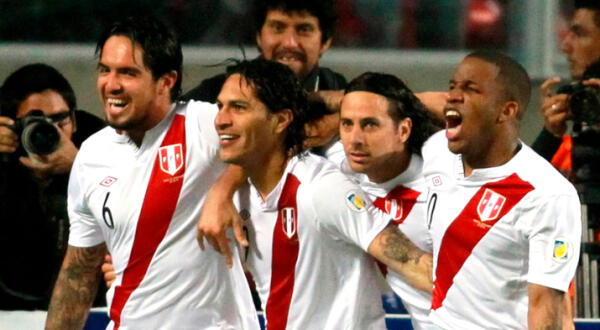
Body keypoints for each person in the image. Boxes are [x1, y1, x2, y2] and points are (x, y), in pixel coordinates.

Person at [45, 16, 258, 330]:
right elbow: (78, 273)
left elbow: (283, 133)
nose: (111, 85)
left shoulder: (202, 125)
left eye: (128, 73)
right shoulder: (91, 155)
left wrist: (224, 187)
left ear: (166, 81)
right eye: (105, 70)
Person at [212, 58, 433, 329]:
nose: (221, 120)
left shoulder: (323, 189)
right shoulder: (238, 195)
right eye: (221, 106)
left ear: (281, 120)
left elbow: (414, 264)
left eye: (239, 107)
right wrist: (220, 192)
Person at [422, 51, 581, 329]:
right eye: (452, 87)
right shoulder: (436, 153)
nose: (453, 96)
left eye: (471, 89)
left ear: (506, 111)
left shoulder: (547, 193)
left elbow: (545, 307)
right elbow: (392, 105)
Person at [0, 63, 105, 310]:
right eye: (36, 121)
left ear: (75, 122)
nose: (51, 131)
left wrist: (79, 167)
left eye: (60, 119)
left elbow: (133, 203)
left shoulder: (103, 152)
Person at [338, 72, 438, 330]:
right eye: (347, 124)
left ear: (403, 130)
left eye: (370, 124)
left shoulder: (444, 192)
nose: (355, 139)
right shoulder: (341, 178)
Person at [531, 0, 600, 174]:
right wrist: (549, 136)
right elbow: (516, 193)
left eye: (579, 34)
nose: (565, 46)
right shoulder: (570, 147)